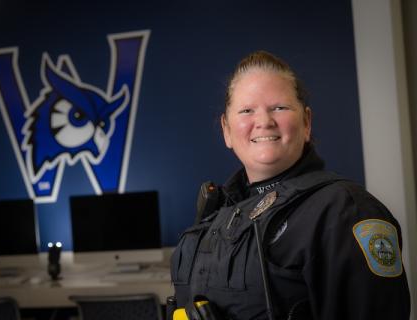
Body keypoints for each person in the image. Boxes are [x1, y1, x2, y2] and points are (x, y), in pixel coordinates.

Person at [169, 51, 411, 320]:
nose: (264, 121)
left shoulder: (345, 210)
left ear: (306, 122)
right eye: (247, 110)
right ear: (226, 130)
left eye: (279, 108)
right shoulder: (217, 216)